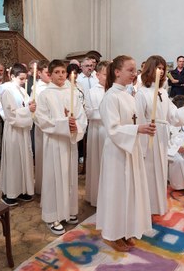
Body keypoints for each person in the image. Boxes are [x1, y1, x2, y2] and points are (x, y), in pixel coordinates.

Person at [96, 55, 155, 253]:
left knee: (129, 191)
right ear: (117, 72)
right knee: (117, 192)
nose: (134, 74)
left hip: (131, 149)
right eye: (130, 70)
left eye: (135, 70)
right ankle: (112, 234)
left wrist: (142, 129)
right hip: (117, 152)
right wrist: (137, 129)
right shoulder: (110, 97)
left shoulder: (129, 95)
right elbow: (112, 129)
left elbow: (133, 121)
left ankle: (126, 228)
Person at [135, 55, 184, 216]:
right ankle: (146, 206)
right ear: (149, 69)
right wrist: (142, 139)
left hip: (162, 135)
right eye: (158, 68)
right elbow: (139, 118)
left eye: (163, 68)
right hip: (149, 134)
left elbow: (173, 116)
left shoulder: (162, 92)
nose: (161, 71)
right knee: (149, 170)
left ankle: (158, 204)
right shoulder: (142, 93)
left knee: (161, 170)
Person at [35, 59, 87, 235]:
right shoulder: (45, 95)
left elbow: (81, 116)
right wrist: (64, 124)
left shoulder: (72, 92)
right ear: (50, 74)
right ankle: (52, 216)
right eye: (56, 72)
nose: (61, 75)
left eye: (63, 72)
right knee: (54, 178)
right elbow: (42, 120)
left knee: (69, 177)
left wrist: (76, 126)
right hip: (54, 142)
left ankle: (69, 211)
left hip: (69, 142)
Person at [0, 63, 36, 206]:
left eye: (25, 79)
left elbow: (26, 107)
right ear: (12, 76)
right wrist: (28, 109)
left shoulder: (22, 91)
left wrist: (31, 106)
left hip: (23, 130)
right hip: (14, 131)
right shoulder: (7, 91)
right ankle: (10, 193)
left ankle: (22, 190)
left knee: (24, 161)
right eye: (21, 78)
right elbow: (11, 115)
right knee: (14, 161)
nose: (23, 81)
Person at [84, 60, 108, 207]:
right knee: (98, 162)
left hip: (111, 131)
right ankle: (96, 196)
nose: (108, 77)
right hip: (98, 130)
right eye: (105, 74)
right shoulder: (91, 92)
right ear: (97, 75)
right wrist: (107, 113)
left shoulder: (115, 90)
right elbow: (88, 112)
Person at [33, 60, 50, 194]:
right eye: (47, 72)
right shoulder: (37, 89)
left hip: (53, 126)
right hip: (43, 127)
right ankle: (42, 186)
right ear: (39, 73)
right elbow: (37, 111)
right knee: (43, 156)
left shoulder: (52, 86)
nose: (49, 75)